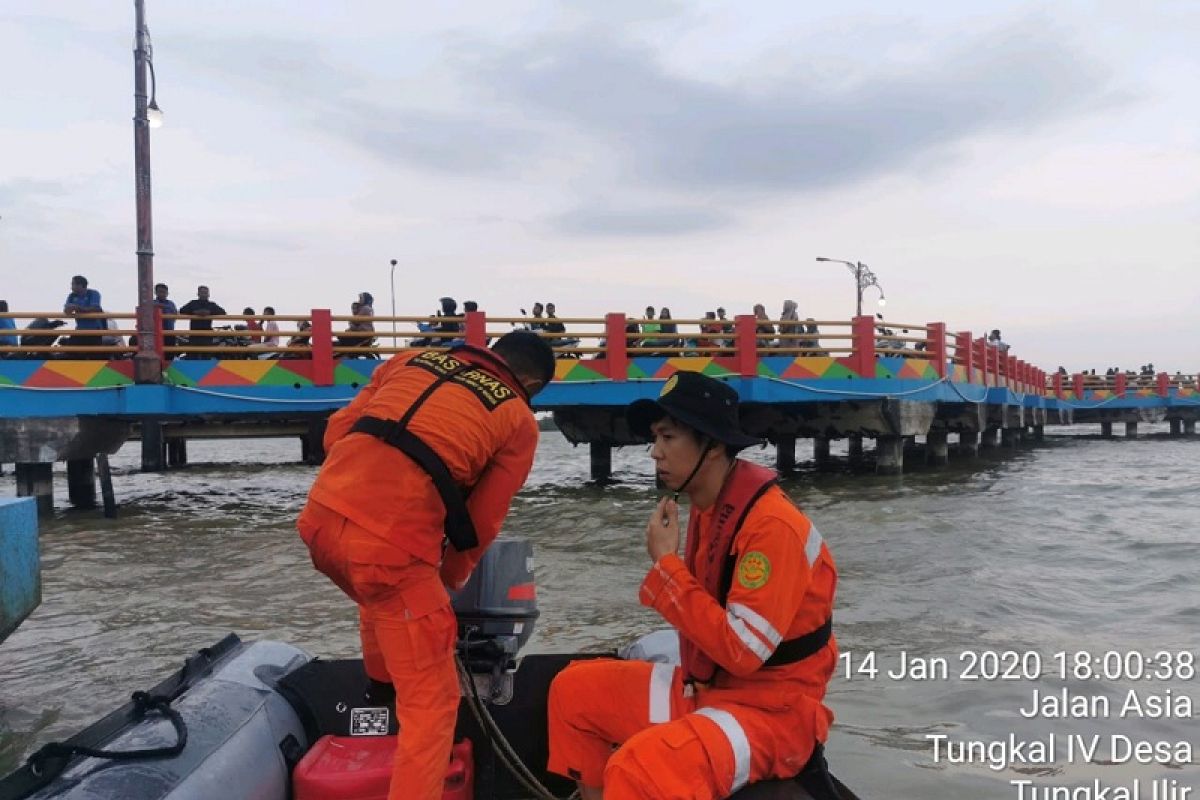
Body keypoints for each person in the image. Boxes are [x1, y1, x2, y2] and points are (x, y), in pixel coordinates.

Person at [546, 371, 838, 798]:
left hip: (772, 714)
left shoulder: (772, 528)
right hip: (707, 690)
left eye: (668, 438)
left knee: (640, 766)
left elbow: (742, 650)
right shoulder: (708, 506)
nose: (654, 453)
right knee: (571, 692)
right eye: (655, 438)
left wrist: (666, 565)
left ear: (714, 445)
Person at [296, 330, 555, 800]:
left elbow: (338, 432)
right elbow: (481, 521)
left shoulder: (411, 359)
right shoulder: (518, 420)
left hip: (319, 521)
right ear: (531, 384)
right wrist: (448, 580)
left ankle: (380, 685)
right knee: (433, 703)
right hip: (389, 551)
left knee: (380, 594)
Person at [63, 275, 105, 352]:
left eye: (73, 284)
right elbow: (66, 311)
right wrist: (70, 309)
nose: (71, 287)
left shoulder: (93, 293)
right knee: (70, 351)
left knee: (94, 355)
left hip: (94, 331)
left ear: (80, 285)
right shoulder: (72, 296)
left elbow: (96, 308)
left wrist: (78, 308)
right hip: (80, 330)